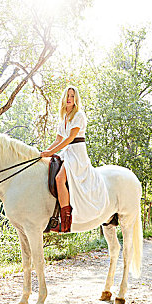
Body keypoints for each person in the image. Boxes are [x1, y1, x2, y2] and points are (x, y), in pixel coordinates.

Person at [40, 86, 108, 233]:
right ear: (64, 98)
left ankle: (65, 221)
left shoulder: (79, 115)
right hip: (67, 152)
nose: (69, 98)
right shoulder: (63, 118)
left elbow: (70, 138)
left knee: (59, 179)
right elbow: (58, 139)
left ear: (76, 99)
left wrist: (52, 151)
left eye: (72, 96)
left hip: (77, 153)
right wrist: (45, 152)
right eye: (67, 96)